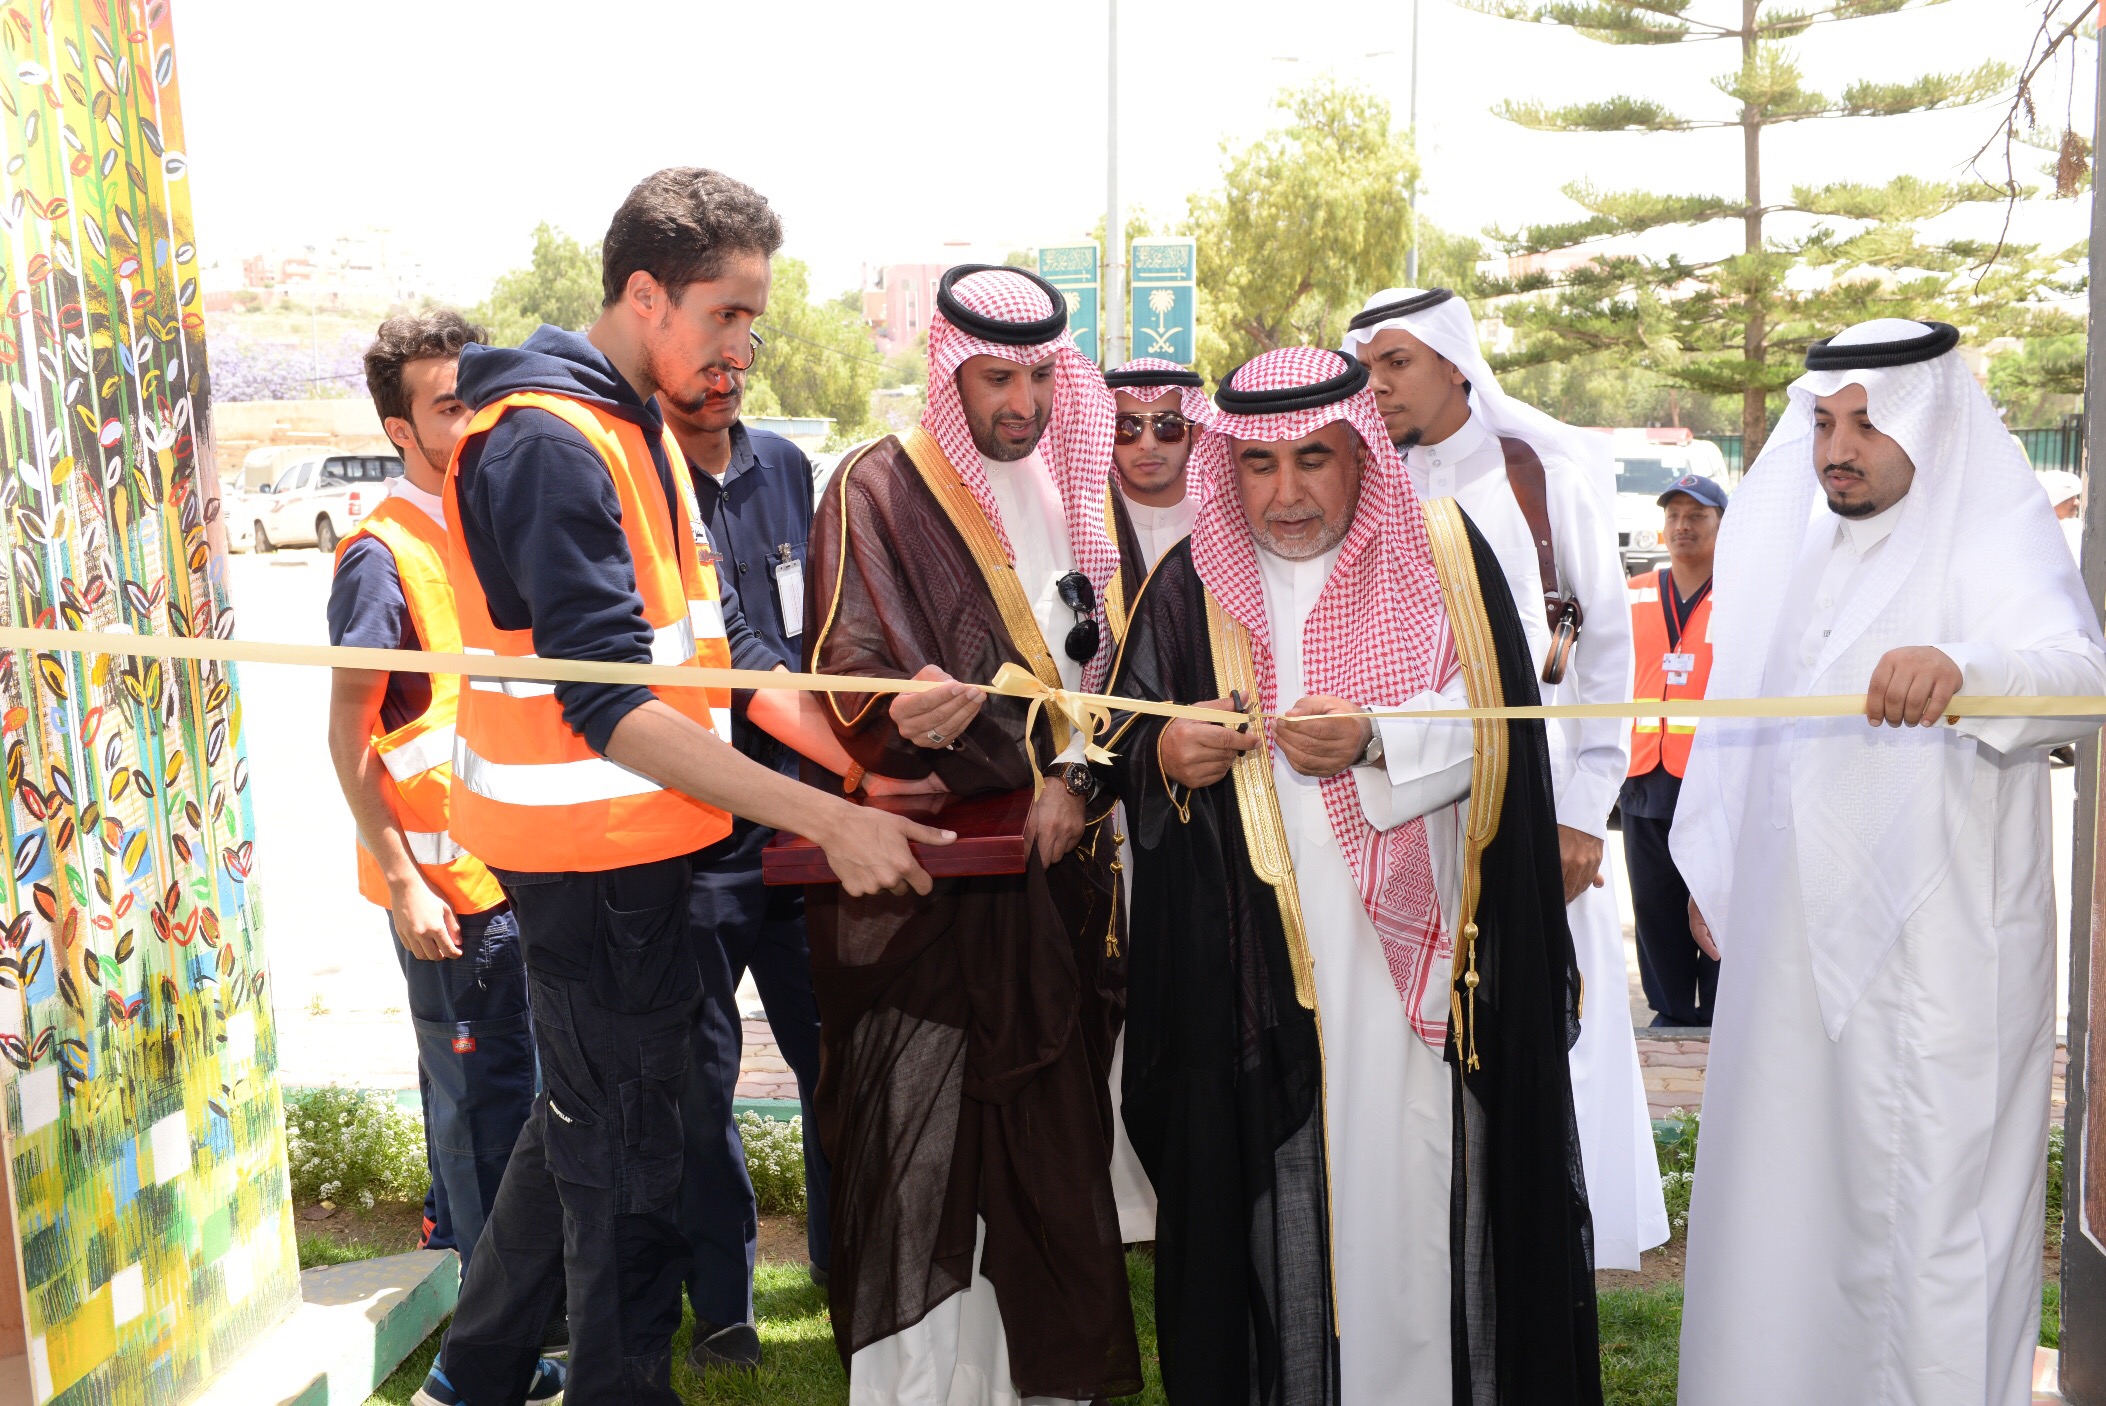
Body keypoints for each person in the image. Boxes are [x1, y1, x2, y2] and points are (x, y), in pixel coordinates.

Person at [421, 168, 947, 1406]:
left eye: (753, 319)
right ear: (645, 295)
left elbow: (722, 658)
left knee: (584, 1131)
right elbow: (610, 704)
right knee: (631, 1173)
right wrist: (830, 818)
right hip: (595, 864)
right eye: (727, 313)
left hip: (633, 853)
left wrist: (857, 765)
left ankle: (475, 1372)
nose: (743, 344)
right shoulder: (554, 442)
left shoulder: (631, 423)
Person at [1103, 345, 1599, 1404]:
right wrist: (1168, 758)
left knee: (1404, 1214)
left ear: (1362, 456)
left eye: (1314, 459)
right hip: (1251, 979)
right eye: (1259, 464)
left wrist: (1380, 738)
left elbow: (1508, 738)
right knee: (1262, 1215)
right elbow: (1125, 746)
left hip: (1408, 975)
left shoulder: (1443, 554)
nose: (1285, 493)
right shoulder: (1192, 583)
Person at [1671, 319, 2106, 1405]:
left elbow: (2081, 676)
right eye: (1823, 423)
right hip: (1788, 965)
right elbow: (1744, 724)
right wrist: (1716, 865)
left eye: (1867, 423)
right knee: (1781, 1210)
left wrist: (1967, 663)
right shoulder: (1800, 545)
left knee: (1925, 1234)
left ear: (1929, 421)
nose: (1837, 449)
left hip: (1938, 965)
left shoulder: (1986, 532)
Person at [804, 264, 1141, 1404]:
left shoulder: (1076, 489)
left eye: (1042, 377)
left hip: (1059, 887)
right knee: (929, 1163)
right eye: (997, 379)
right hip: (931, 903)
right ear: (952, 371)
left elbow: (1111, 674)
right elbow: (850, 672)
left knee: (1049, 1160)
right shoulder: (876, 489)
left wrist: (1075, 781)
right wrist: (900, 719)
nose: (1024, 405)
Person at [1342, 287, 1668, 1269]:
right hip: (1402, 785)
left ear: (1455, 363)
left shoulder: (1535, 471)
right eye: (1367, 363)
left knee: (1541, 1014)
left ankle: (1547, 1232)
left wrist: (1582, 813)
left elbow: (1604, 651)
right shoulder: (1367, 473)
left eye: (1397, 361)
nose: (1380, 382)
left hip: (1533, 794)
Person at [325, 311, 541, 1303]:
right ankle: (495, 1325)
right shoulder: (380, 553)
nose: (477, 416)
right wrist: (407, 882)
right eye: (451, 404)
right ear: (401, 429)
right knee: (478, 1111)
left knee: (521, 1104)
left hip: (534, 870)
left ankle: (511, 1290)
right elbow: (349, 731)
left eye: (483, 393)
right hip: (451, 894)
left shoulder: (507, 520)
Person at [656, 350, 833, 1372]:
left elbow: (808, 635)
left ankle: (848, 1267)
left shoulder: (787, 466)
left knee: (837, 1060)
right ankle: (723, 1306)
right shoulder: (639, 479)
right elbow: (739, 661)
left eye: (742, 353)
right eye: (703, 355)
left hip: (807, 826)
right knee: (701, 1078)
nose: (723, 376)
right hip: (696, 833)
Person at [1097, 354, 1213, 1246]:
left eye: (1167, 424)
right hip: (1082, 800)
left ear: (1198, 431)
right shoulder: (1074, 520)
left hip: (1203, 805)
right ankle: (1115, 1199)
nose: (1147, 444)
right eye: (1126, 425)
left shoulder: (1227, 520)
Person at [1620, 472, 1725, 1027]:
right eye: (1674, 516)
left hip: (1712, 778)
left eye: (1698, 516)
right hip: (1644, 773)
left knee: (1712, 895)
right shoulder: (1633, 593)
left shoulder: (1740, 598)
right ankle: (1672, 1010)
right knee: (1655, 902)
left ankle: (1720, 1008)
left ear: (1721, 527)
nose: (1683, 526)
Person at [2041, 466, 2084, 562]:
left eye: (2075, 497)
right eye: (2069, 498)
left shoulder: (2076, 528)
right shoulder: (2038, 533)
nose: (2076, 503)